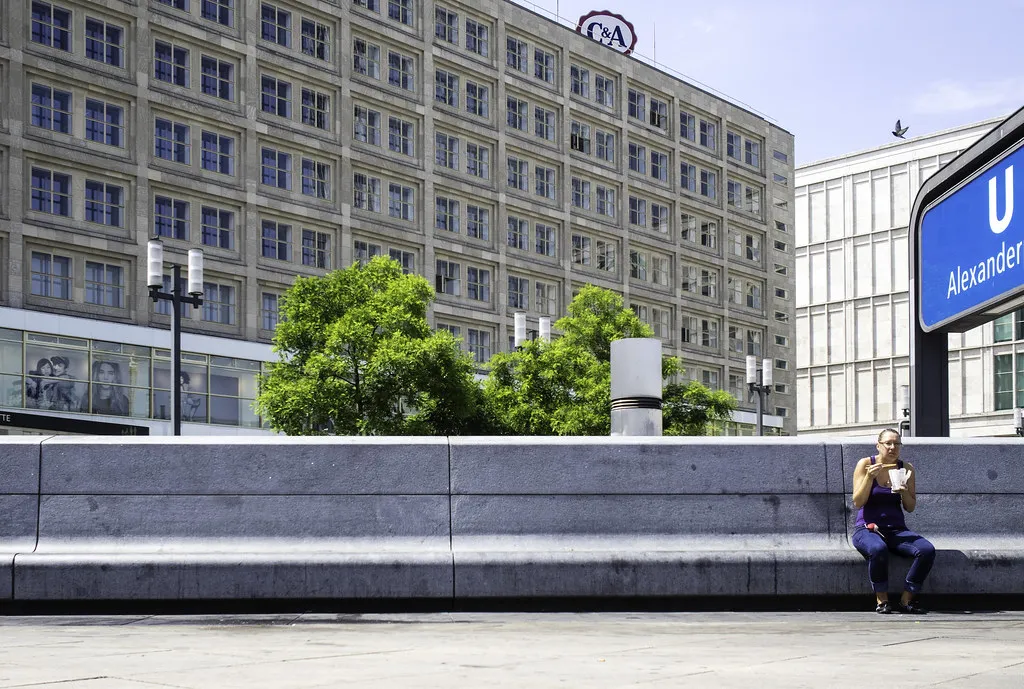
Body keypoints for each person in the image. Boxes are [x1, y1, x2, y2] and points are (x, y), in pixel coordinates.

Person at [851, 428, 936, 614]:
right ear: (878, 445)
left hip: (896, 530)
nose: (892, 447)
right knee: (877, 549)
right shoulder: (865, 464)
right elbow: (858, 502)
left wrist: (904, 490)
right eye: (888, 443)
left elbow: (910, 507)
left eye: (897, 444)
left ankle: (907, 599)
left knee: (926, 550)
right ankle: (882, 600)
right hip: (867, 529)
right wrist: (869, 477)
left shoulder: (906, 468)